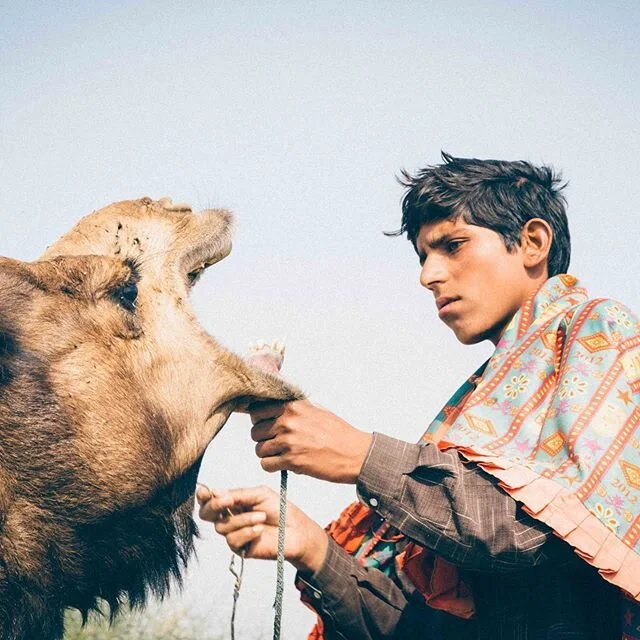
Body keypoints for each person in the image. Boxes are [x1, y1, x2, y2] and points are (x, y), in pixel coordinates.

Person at [197, 153, 640, 639]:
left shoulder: (600, 334)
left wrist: (360, 456)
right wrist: (312, 549)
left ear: (533, 242)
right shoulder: (478, 409)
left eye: (452, 245)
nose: (428, 275)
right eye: (423, 256)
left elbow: (536, 531)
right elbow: (422, 629)